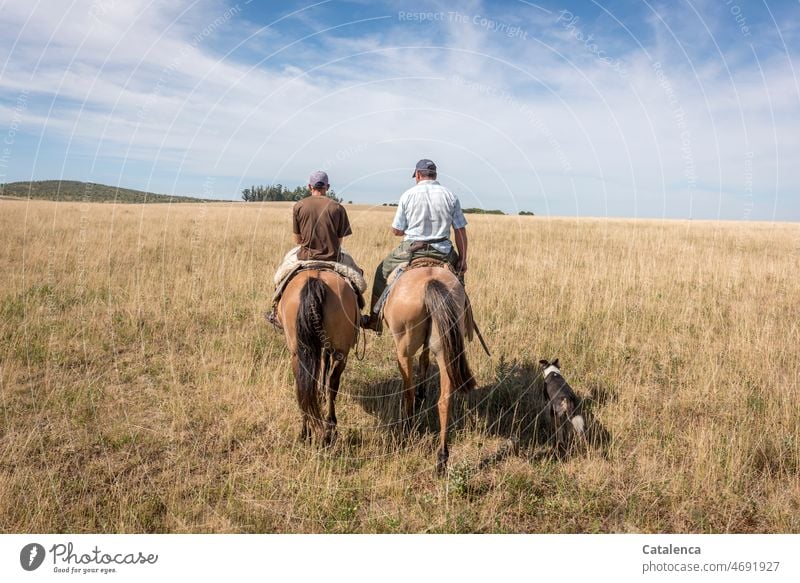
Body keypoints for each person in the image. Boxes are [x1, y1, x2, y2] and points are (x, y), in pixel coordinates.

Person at [362, 159, 468, 330]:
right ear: (435, 175)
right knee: (459, 281)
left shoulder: (408, 195)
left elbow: (397, 230)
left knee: (381, 271)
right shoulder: (450, 195)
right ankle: (465, 323)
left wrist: (406, 230)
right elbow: (460, 230)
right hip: (443, 251)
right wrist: (463, 259)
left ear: (418, 175)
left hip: (411, 249)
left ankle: (375, 320)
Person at [267, 171, 361, 328]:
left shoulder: (299, 206)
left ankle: (276, 313)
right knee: (358, 281)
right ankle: (357, 315)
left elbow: (297, 240)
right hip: (333, 258)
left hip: (305, 257)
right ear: (328, 187)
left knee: (278, 278)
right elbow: (339, 241)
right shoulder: (337, 207)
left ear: (309, 186)